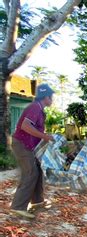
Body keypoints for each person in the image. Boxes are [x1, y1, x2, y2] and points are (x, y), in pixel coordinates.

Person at [10, 84, 55, 219]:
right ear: (46, 97)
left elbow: (36, 130)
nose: (52, 99)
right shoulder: (35, 107)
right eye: (51, 97)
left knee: (38, 170)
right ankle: (17, 207)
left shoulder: (40, 110)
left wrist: (46, 136)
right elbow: (25, 126)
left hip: (29, 146)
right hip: (22, 145)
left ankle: (37, 201)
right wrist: (44, 136)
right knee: (30, 172)